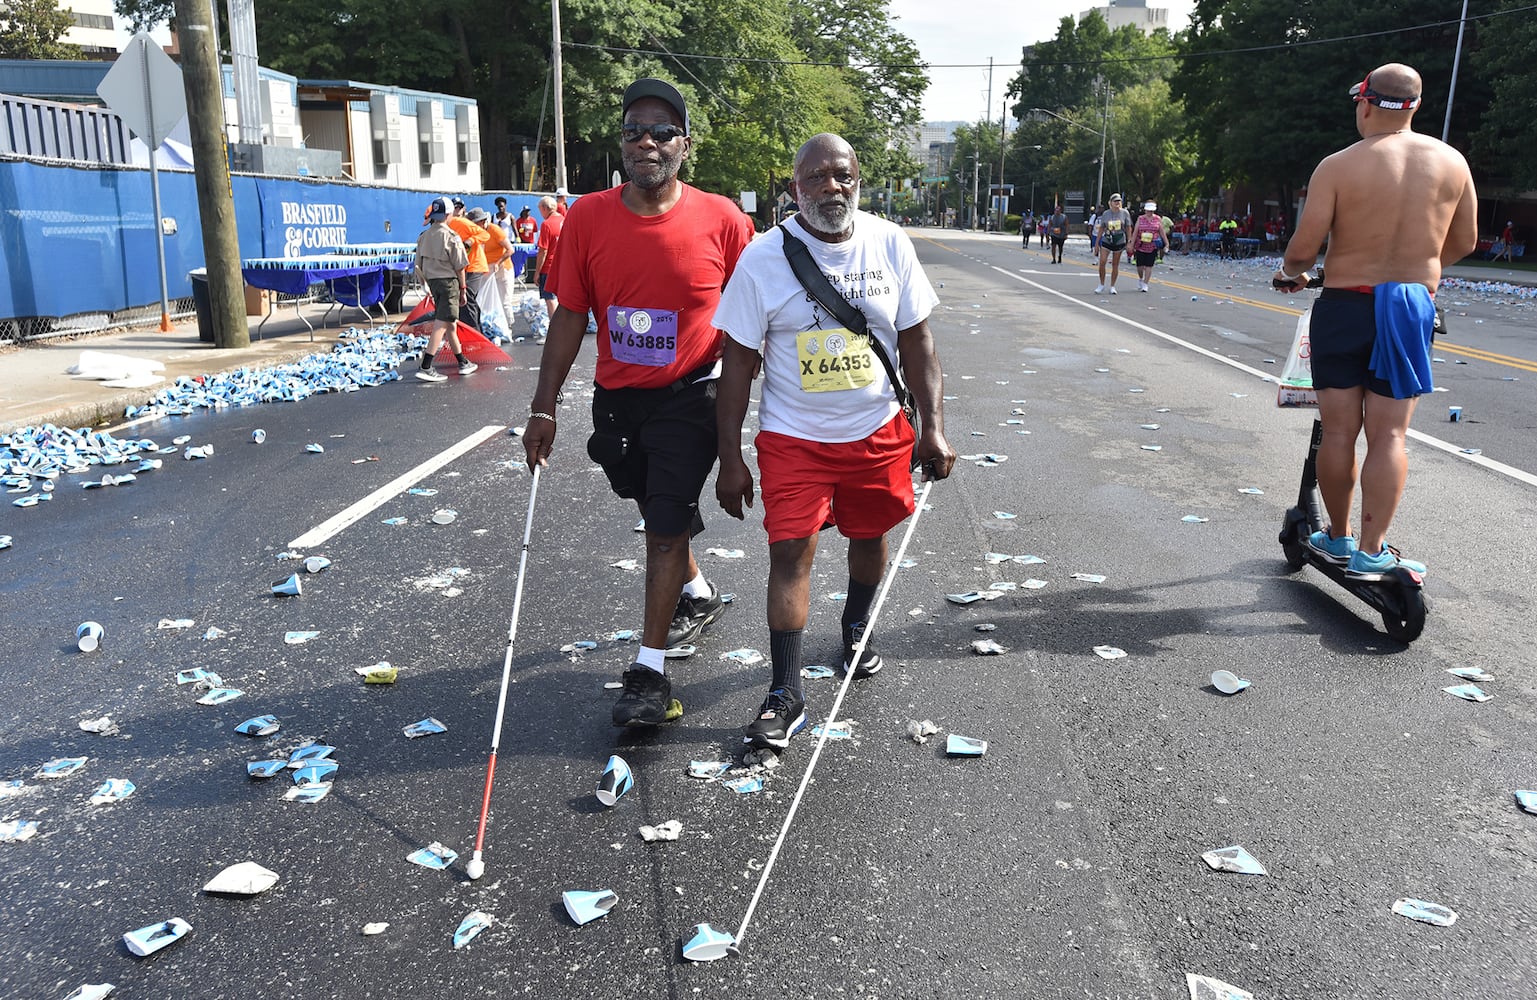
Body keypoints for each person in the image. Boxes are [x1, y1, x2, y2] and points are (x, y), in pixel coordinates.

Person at [522, 77, 755, 728]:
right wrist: (543, 409)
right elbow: (570, 314)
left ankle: (648, 675)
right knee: (650, 503)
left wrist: (751, 430)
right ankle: (699, 593)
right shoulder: (587, 219)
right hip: (617, 403)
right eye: (633, 131)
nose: (645, 142)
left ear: (684, 145)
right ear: (620, 143)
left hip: (693, 395)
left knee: (661, 527)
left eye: (661, 132)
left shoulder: (724, 221)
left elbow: (755, 319)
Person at [714, 133, 956, 750]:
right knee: (789, 553)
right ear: (795, 188)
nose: (831, 187)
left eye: (842, 175)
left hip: (876, 431)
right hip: (793, 438)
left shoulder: (889, 242)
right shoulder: (763, 259)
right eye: (816, 177)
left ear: (858, 180)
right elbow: (737, 364)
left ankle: (855, 623)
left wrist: (933, 427)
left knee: (868, 535)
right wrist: (731, 459)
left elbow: (917, 342)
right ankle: (786, 691)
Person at [1275, 62, 1476, 579]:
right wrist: (1417, 268)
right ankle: (1373, 548)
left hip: (1344, 304)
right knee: (1389, 437)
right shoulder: (1452, 162)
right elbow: (1464, 242)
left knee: (1340, 430)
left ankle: (1337, 538)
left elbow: (1303, 246)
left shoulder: (1339, 166)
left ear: (1365, 104)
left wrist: (1293, 273)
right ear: (1414, 106)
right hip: (1409, 307)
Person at [411, 197, 477, 382]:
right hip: (449, 283)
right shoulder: (452, 237)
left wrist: (426, 285)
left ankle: (463, 362)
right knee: (442, 323)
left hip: (432, 283)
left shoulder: (423, 236)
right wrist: (463, 288)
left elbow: (418, 265)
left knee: (450, 324)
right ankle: (426, 365)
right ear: (448, 215)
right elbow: (460, 266)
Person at [533, 195, 564, 324]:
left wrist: (537, 272)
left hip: (549, 267)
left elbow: (543, 251)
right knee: (561, 298)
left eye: (540, 210)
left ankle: (556, 326)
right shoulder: (564, 220)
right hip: (562, 265)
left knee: (550, 299)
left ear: (545, 208)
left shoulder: (546, 224)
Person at [1094, 193, 1131, 294]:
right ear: (1110, 203)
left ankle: (1112, 286)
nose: (1117, 203)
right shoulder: (1106, 214)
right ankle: (1101, 284)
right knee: (1102, 262)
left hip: (1119, 239)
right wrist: (1097, 243)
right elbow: (1102, 227)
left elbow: (1128, 227)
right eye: (1115, 201)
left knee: (1115, 264)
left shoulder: (1125, 213)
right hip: (1107, 238)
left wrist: (1129, 241)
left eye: (1119, 201)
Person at [1132, 201, 1164, 292]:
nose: (1150, 213)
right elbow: (1135, 231)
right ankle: (1141, 278)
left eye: (1151, 211)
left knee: (1149, 266)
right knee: (1140, 266)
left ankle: (1145, 283)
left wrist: (1166, 243)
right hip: (1141, 244)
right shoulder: (1140, 219)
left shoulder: (1157, 219)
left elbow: (1161, 231)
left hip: (1152, 245)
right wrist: (1131, 243)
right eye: (1148, 211)